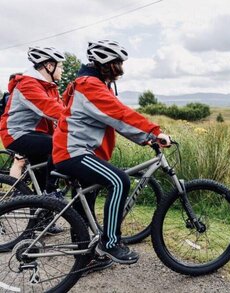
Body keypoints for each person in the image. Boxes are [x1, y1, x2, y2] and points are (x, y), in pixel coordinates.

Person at [53, 40, 171, 264]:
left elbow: (114, 117)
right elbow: (120, 114)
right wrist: (153, 133)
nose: (121, 70)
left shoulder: (92, 83)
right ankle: (110, 243)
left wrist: (146, 138)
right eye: (118, 64)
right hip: (74, 152)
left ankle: (85, 259)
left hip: (74, 151)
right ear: (106, 64)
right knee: (119, 181)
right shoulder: (90, 85)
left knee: (82, 208)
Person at [0, 47, 66, 234]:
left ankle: (43, 222)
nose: (62, 70)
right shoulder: (28, 84)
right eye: (60, 66)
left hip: (36, 135)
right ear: (49, 65)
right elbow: (50, 109)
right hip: (17, 134)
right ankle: (51, 195)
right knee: (59, 145)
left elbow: (60, 108)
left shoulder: (49, 87)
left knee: (43, 177)